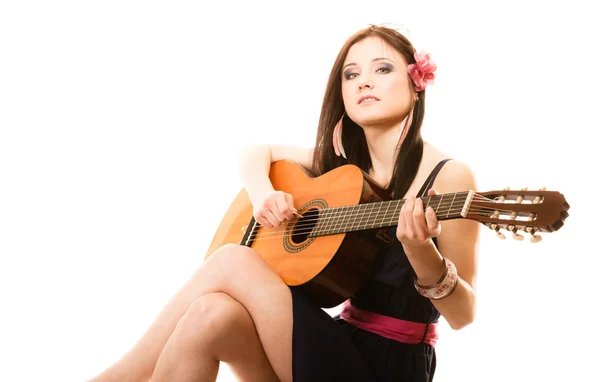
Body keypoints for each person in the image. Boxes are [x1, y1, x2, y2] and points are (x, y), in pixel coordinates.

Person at [88, 24, 480, 382]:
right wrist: (263, 195)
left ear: (416, 84)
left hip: (390, 367)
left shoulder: (448, 177)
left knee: (232, 259)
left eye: (381, 69)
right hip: (337, 343)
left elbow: (463, 315)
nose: (363, 82)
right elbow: (255, 152)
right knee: (210, 316)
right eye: (351, 74)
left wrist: (418, 247)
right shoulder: (343, 170)